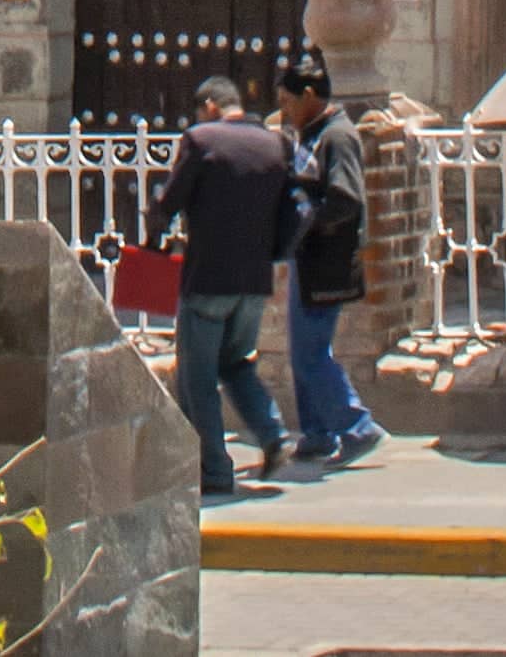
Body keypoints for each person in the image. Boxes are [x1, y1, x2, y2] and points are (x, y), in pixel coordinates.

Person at [147, 74, 295, 498]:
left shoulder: (200, 139)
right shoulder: (275, 144)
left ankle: (214, 468)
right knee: (235, 362)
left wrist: (153, 238)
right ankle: (274, 435)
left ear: (210, 106)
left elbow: (169, 204)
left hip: (208, 278)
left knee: (197, 377)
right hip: (254, 280)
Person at [273, 53, 383, 468]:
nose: (284, 111)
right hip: (312, 257)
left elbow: (346, 199)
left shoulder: (337, 136)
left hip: (328, 258)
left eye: (287, 102)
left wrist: (306, 217)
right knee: (303, 347)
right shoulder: (315, 133)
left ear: (308, 95)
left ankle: (356, 427)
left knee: (310, 351)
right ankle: (316, 433)